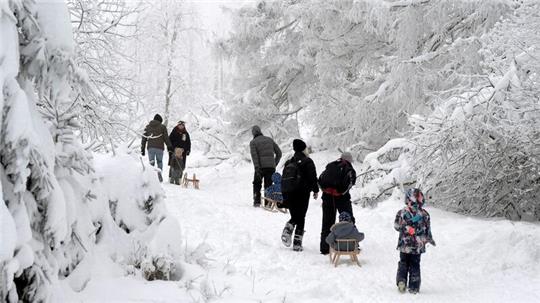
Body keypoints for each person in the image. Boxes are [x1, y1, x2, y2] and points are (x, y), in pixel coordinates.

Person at [394, 188, 436, 294]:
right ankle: (413, 286)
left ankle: (402, 281)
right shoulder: (423, 214)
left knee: (404, 263)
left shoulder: (403, 212)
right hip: (415, 244)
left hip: (407, 244)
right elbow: (427, 229)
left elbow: (397, 226)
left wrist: (405, 227)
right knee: (414, 264)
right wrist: (428, 238)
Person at [280, 139, 319, 252]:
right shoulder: (307, 161)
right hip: (302, 193)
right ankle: (297, 242)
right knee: (301, 217)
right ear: (303, 149)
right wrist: (315, 190)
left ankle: (290, 227)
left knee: (296, 215)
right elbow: (312, 177)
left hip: (289, 193)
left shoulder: (289, 162)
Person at [318, 152, 357, 255]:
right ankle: (352, 244)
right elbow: (351, 183)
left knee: (327, 222)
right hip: (342, 199)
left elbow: (320, 179)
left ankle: (325, 248)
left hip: (327, 198)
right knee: (348, 220)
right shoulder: (349, 168)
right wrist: (340, 193)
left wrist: (326, 191)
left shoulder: (331, 165)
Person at [249, 125, 282, 207]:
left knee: (257, 183)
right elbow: (279, 153)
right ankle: (268, 203)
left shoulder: (253, 142)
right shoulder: (269, 140)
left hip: (260, 167)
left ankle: (257, 201)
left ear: (253, 133)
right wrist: (274, 163)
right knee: (268, 185)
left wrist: (257, 168)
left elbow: (255, 157)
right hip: (271, 167)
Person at [141, 114, 172, 182]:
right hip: (159, 148)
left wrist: (142, 148)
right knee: (159, 162)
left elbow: (144, 138)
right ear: (160, 121)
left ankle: (151, 177)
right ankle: (159, 175)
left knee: (151, 162)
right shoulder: (162, 127)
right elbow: (166, 138)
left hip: (150, 148)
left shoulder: (147, 127)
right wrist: (169, 147)